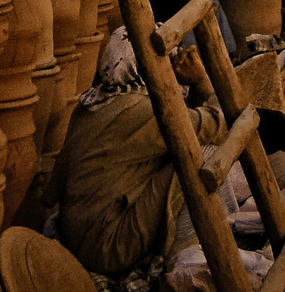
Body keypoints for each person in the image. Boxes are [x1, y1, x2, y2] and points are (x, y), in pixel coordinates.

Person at [49, 30, 226, 275]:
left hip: (77, 237)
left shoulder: (90, 102)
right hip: (106, 249)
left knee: (182, 148)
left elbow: (49, 194)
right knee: (204, 155)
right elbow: (217, 125)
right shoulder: (145, 112)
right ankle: (192, 258)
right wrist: (200, 80)